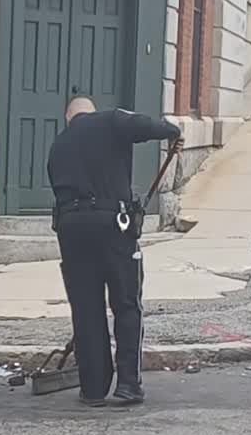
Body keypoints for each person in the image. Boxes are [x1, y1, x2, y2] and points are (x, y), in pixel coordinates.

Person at [46, 95, 182, 407]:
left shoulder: (58, 146)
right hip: (112, 226)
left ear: (69, 119)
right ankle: (128, 385)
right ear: (90, 114)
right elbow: (142, 125)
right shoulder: (108, 120)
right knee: (125, 303)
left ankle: (93, 389)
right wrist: (170, 130)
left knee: (87, 308)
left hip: (71, 231)